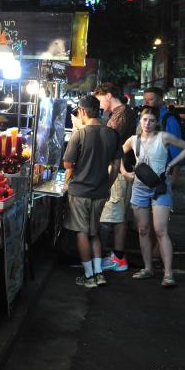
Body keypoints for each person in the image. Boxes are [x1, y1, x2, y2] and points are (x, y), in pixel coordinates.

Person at [120, 106, 185, 288]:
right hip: (139, 188)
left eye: (152, 120)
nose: (147, 123)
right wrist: (124, 172)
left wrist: (171, 164)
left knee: (160, 230)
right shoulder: (133, 140)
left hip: (160, 187)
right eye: (145, 120)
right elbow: (118, 153)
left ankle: (168, 274)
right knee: (143, 229)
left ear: (157, 123)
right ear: (140, 120)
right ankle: (147, 268)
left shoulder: (163, 137)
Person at [63, 95, 121, 288]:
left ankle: (89, 277)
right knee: (93, 231)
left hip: (80, 191)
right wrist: (108, 183)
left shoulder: (79, 133)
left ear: (82, 112)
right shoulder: (112, 134)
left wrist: (66, 180)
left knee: (81, 232)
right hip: (100, 191)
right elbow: (116, 163)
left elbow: (68, 163)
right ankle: (99, 273)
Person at [95, 83, 137, 271]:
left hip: (118, 171)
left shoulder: (123, 114)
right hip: (117, 169)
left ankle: (116, 257)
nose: (99, 104)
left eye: (100, 99)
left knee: (112, 216)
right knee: (116, 215)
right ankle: (116, 257)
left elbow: (111, 143)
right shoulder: (119, 113)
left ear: (109, 95)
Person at [143, 87, 185, 185]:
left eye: (150, 99)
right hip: (144, 172)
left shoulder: (168, 120)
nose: (146, 102)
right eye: (145, 99)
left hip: (163, 172)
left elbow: (176, 150)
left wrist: (174, 178)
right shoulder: (143, 117)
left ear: (160, 100)